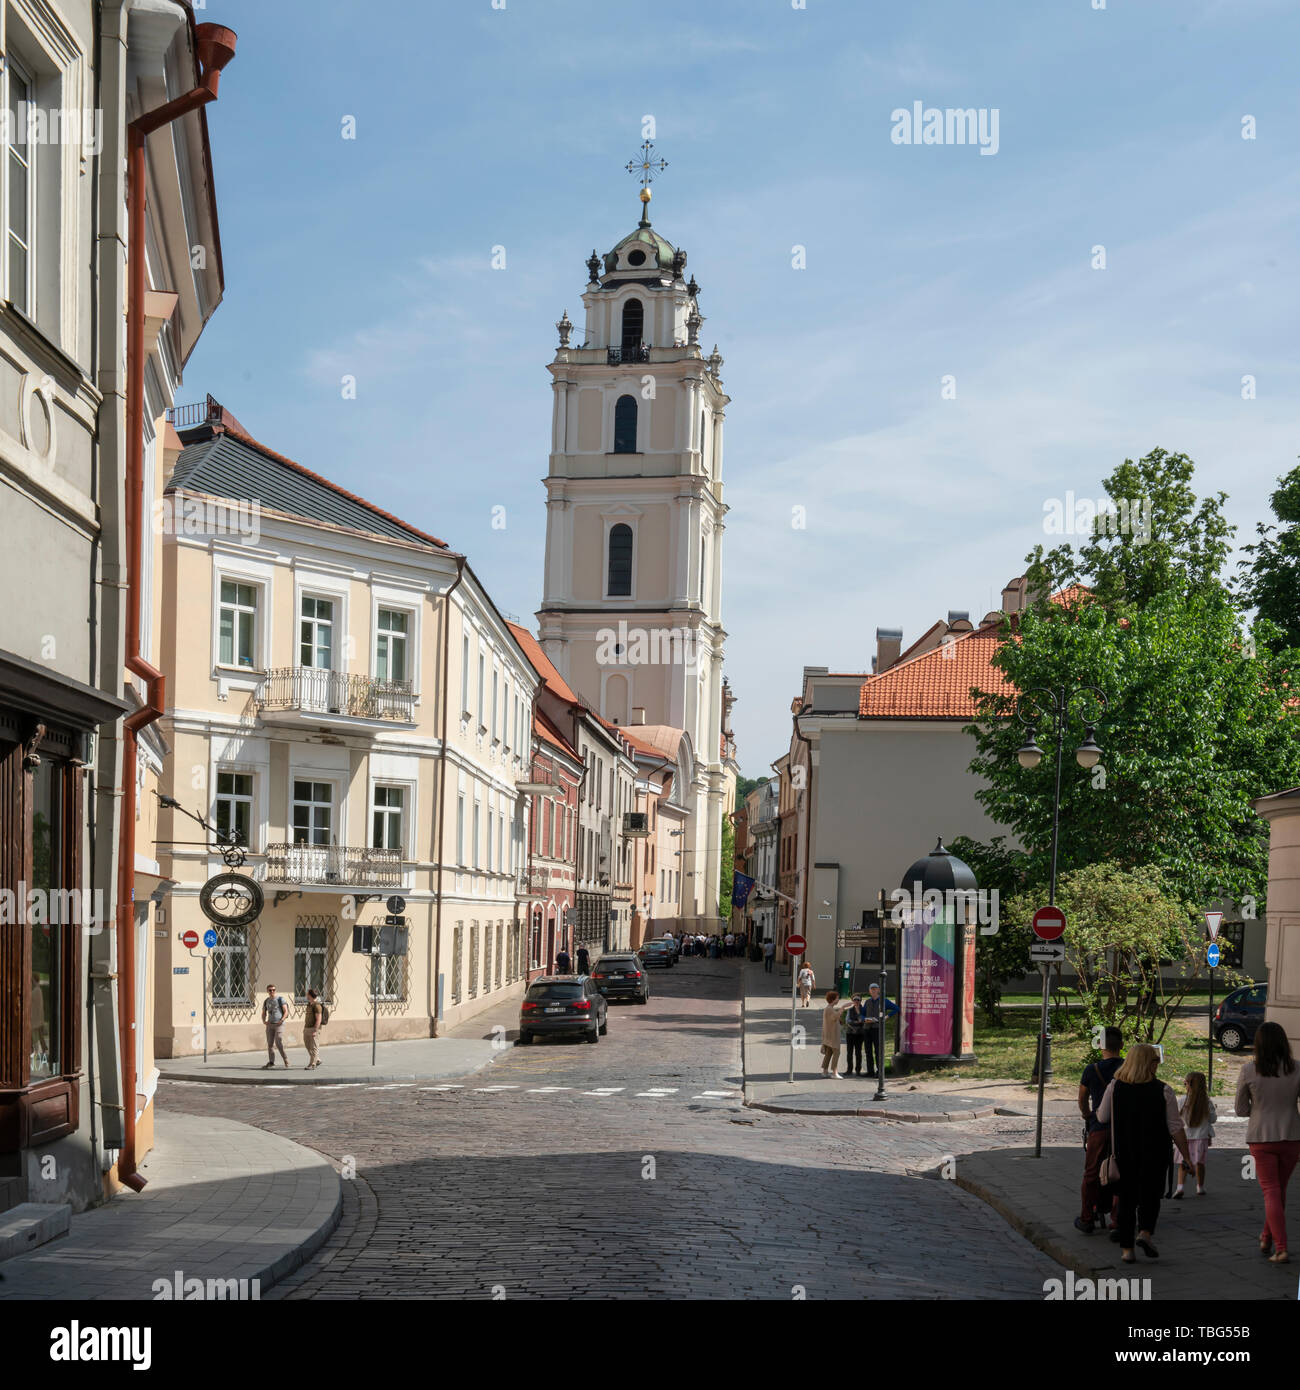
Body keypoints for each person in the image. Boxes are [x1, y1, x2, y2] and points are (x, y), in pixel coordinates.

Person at [1095, 1043, 1191, 1263]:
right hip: (1155, 1153)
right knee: (1150, 1196)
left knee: (1126, 1200)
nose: (1157, 1065)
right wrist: (1186, 1156)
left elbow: (1102, 1117)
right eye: (1155, 1061)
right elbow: (1175, 1127)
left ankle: (1127, 1250)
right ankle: (1145, 1233)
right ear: (1149, 1063)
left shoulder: (1115, 1087)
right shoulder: (1163, 1090)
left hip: (1124, 1153)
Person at [1235, 1020, 1300, 1263]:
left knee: (1271, 1190)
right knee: (1278, 1190)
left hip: (1261, 1136)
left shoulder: (1248, 1071)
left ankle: (1281, 1247)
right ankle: (1266, 1236)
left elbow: (1241, 1110)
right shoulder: (1298, 1068)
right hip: (1292, 1136)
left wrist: (1258, 1107)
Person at [1076, 1027, 1125, 1234]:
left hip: (1099, 1128)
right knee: (1122, 1173)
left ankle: (1087, 1217)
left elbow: (1082, 1099)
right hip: (1123, 1129)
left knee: (1091, 1173)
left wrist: (1088, 1115)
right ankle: (1117, 1218)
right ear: (1121, 1046)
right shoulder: (1127, 1068)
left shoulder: (1091, 1069)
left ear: (1100, 1046)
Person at [1174, 1071, 1216, 1198]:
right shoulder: (1207, 1102)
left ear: (1188, 1085)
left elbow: (1176, 1119)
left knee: (1183, 1163)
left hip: (1184, 1138)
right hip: (1201, 1137)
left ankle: (1180, 1187)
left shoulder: (1182, 1101)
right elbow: (1213, 1119)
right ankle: (1200, 1187)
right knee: (1200, 1163)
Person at [862, 983, 898, 1077]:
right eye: (871, 989)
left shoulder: (884, 1001)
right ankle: (870, 1071)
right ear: (869, 991)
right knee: (868, 1051)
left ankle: (879, 1072)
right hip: (867, 1028)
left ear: (878, 990)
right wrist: (864, 1019)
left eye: (875, 989)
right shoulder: (867, 1002)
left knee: (878, 1051)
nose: (873, 991)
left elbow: (896, 1008)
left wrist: (887, 1016)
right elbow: (862, 1013)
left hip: (877, 1029)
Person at [820, 990, 852, 1078]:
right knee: (836, 1053)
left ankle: (825, 1071)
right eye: (837, 998)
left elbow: (834, 1018)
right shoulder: (829, 1009)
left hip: (829, 1035)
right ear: (833, 999)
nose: (838, 1000)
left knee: (829, 1053)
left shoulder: (829, 1008)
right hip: (832, 1035)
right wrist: (843, 1007)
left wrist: (842, 1011)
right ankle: (834, 1072)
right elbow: (835, 1017)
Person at [261, 984, 291, 1069]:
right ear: (267, 991)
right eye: (270, 990)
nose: (272, 992)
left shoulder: (280, 999)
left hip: (279, 1024)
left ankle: (285, 1059)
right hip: (270, 1024)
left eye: (273, 990)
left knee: (278, 1042)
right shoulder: (266, 1001)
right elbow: (263, 1012)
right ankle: (271, 1062)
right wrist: (264, 1021)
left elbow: (286, 1011)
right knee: (270, 1044)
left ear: (275, 990)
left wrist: (281, 1020)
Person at [844, 994, 869, 1076]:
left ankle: (858, 1070)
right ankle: (849, 1069)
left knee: (858, 1052)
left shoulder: (863, 1009)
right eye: (855, 999)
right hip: (850, 1033)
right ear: (852, 1001)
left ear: (861, 1000)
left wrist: (858, 1020)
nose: (856, 1001)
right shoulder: (850, 1010)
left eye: (858, 1000)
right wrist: (856, 1022)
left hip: (860, 1033)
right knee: (849, 1052)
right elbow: (847, 1021)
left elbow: (863, 1020)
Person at [303, 988, 325, 1070]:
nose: (306, 995)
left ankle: (312, 1064)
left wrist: (315, 1030)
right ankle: (317, 1060)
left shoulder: (317, 1005)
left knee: (314, 1047)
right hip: (307, 1028)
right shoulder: (309, 1004)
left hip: (313, 1028)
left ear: (310, 995)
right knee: (308, 1045)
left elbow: (318, 1019)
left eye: (307, 994)